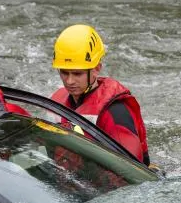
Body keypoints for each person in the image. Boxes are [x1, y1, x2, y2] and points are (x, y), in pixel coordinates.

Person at [49, 24, 150, 164]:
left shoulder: (115, 112)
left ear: (96, 69)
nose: (70, 81)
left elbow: (130, 170)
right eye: (64, 73)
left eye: (77, 73)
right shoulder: (55, 103)